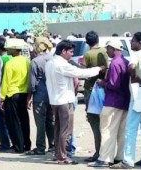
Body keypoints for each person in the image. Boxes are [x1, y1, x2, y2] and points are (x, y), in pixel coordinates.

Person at [45, 39, 104, 164]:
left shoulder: (50, 62)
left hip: (55, 100)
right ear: (63, 51)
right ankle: (62, 156)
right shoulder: (61, 64)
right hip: (64, 100)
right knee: (65, 130)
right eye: (71, 52)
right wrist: (98, 69)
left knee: (58, 129)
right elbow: (80, 73)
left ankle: (58, 154)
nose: (72, 54)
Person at [110, 32, 141, 169]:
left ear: (139, 43)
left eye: (133, 41)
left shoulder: (136, 55)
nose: (131, 43)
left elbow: (132, 66)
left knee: (130, 129)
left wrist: (134, 76)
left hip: (137, 97)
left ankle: (128, 160)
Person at [88, 40, 130, 167]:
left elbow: (113, 84)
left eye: (108, 49)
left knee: (107, 129)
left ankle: (105, 158)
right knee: (121, 131)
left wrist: (103, 83)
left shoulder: (115, 64)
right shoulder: (125, 62)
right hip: (124, 101)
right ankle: (119, 157)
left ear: (113, 48)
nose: (106, 51)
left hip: (112, 101)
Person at [81, 31, 109, 162]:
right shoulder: (104, 51)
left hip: (91, 91)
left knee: (94, 122)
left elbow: (84, 73)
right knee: (106, 122)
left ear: (87, 42)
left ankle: (98, 152)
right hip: (105, 89)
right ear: (98, 39)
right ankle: (106, 151)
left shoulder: (87, 55)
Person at [0, 38, 31, 153]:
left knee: (13, 121)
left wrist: (2, 98)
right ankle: (27, 144)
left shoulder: (10, 63)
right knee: (24, 120)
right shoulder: (27, 61)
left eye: (8, 48)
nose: (7, 50)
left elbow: (5, 82)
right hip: (23, 94)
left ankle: (18, 146)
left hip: (12, 95)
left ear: (13, 50)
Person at [26, 37, 54, 155]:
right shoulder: (53, 59)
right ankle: (53, 145)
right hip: (52, 94)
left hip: (40, 95)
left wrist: (29, 98)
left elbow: (32, 83)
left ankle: (40, 147)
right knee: (50, 120)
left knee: (40, 122)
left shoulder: (35, 61)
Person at [0, 38, 12, 151]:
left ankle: (5, 144)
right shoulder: (12, 58)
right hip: (13, 91)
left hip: (1, 91)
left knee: (2, 121)